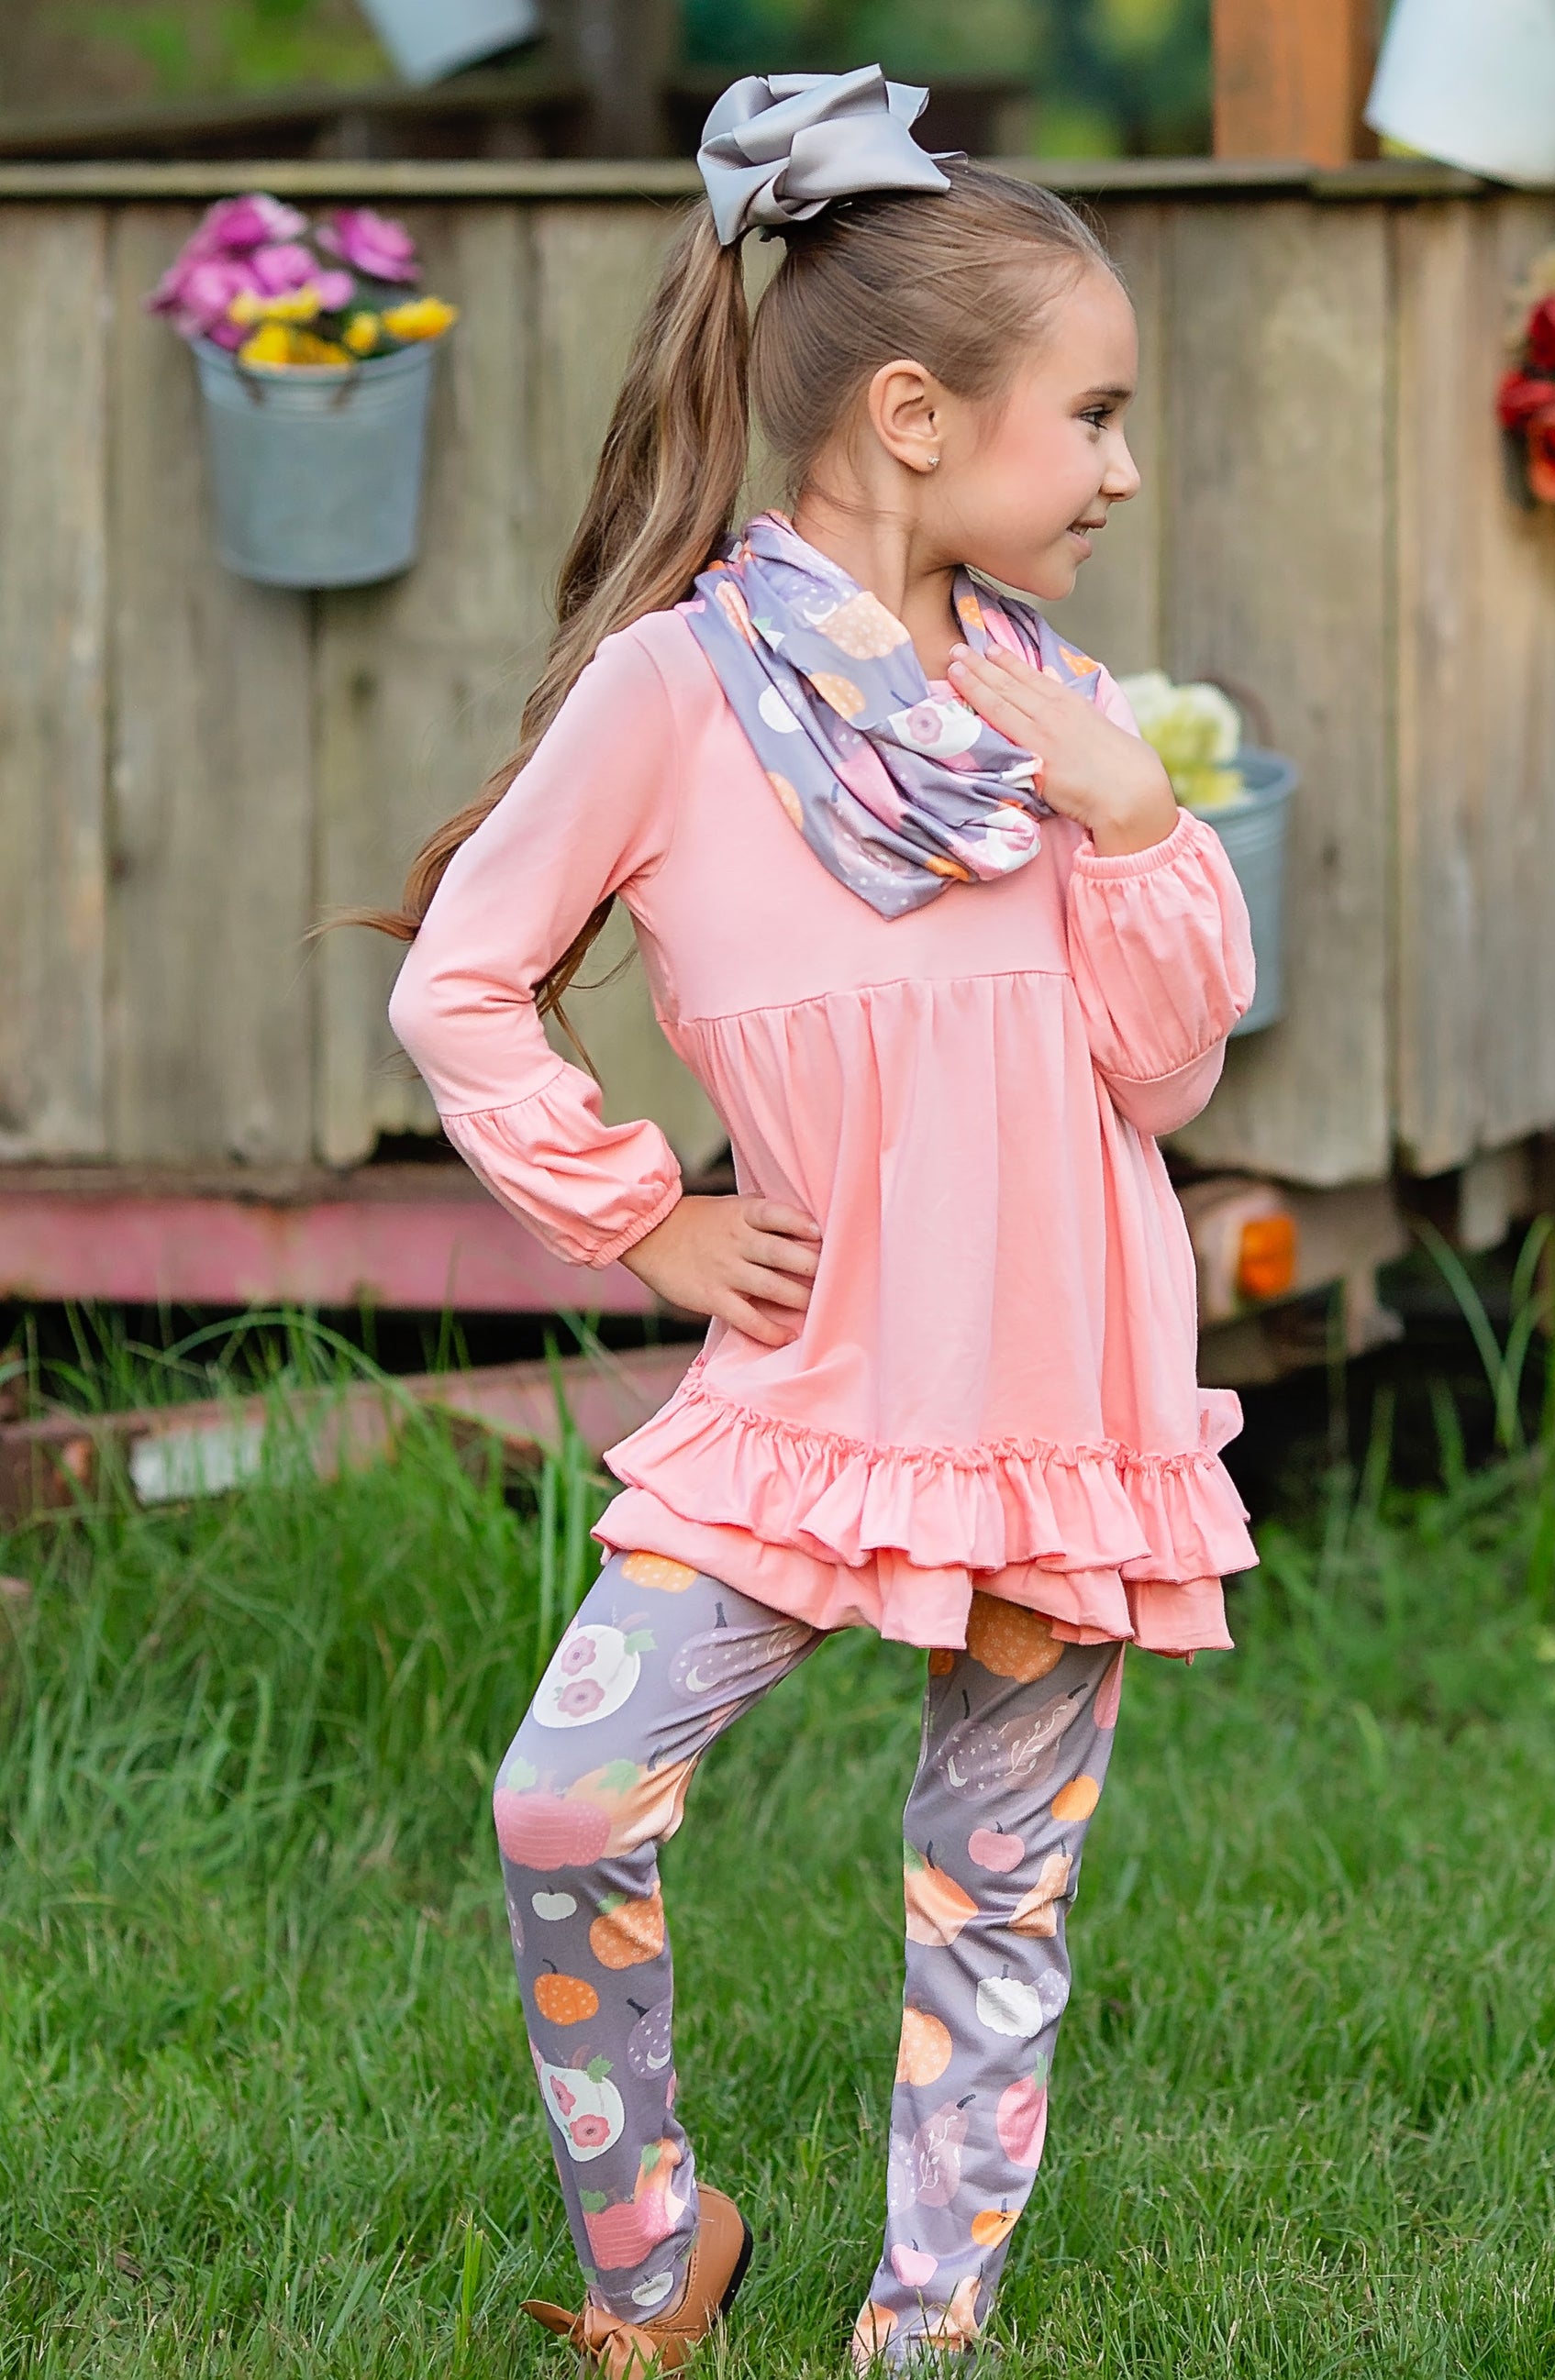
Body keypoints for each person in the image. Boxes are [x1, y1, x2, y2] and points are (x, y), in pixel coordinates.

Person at [378, 65, 1257, 2377]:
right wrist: (640, 1212)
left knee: (997, 1892)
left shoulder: (1045, 702)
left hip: (1061, 1381)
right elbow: (459, 978)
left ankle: (926, 2325)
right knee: (566, 1791)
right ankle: (658, 2236)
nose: (1121, 467)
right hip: (813, 1383)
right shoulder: (673, 694)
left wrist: (1142, 820)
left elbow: (1157, 1073)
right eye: (1092, 414)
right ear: (903, 412)